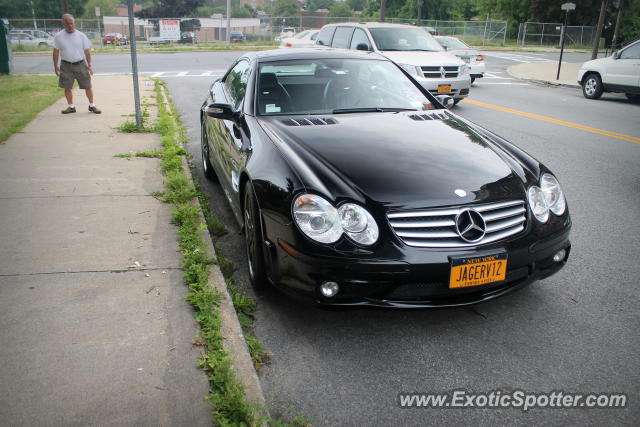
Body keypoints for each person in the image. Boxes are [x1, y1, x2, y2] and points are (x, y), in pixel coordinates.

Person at [52, 14, 101, 114]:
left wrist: (89, 65)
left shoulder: (81, 36)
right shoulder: (58, 36)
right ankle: (71, 107)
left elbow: (87, 51)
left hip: (81, 64)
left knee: (87, 85)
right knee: (67, 87)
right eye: (67, 24)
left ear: (74, 23)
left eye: (72, 23)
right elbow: (56, 52)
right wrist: (56, 66)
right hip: (66, 65)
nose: (70, 26)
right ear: (63, 24)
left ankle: (92, 106)